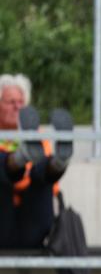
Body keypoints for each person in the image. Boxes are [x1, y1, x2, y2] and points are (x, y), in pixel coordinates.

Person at [0, 74, 73, 250]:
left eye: (21, 102)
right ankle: (20, 157)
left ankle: (59, 161)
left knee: (40, 171)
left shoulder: (38, 136)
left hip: (33, 227)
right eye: (11, 102)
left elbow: (48, 183)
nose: (17, 107)